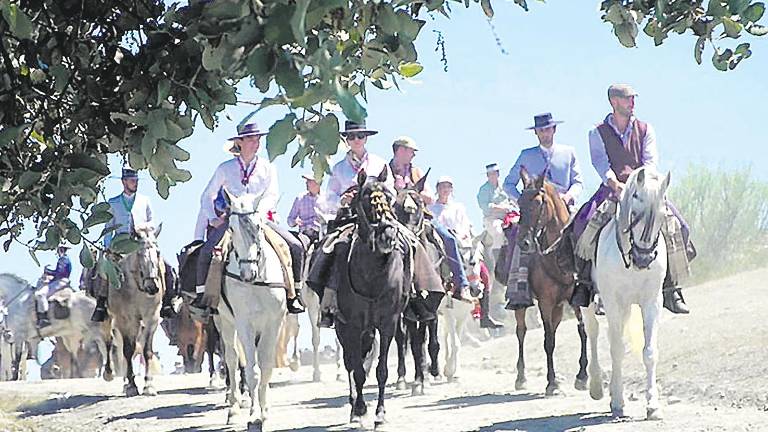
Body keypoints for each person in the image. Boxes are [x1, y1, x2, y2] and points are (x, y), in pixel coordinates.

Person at [570, 84, 693, 314]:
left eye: (633, 99)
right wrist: (614, 183)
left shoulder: (646, 129)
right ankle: (587, 285)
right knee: (581, 226)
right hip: (612, 188)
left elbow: (650, 162)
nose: (632, 103)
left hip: (644, 188)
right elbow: (600, 162)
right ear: (614, 102)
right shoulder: (597, 132)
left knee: (679, 226)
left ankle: (670, 288)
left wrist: (643, 185)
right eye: (627, 99)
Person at [190, 122, 306, 314]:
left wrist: (260, 213)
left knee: (295, 246)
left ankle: (295, 295)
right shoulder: (225, 168)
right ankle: (203, 297)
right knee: (207, 251)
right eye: (251, 139)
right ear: (240, 142)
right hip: (233, 220)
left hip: (261, 219)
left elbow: (272, 194)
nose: (256, 143)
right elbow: (206, 196)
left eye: (258, 139)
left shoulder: (268, 167)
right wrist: (212, 218)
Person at [390, 137, 499, 326]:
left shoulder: (416, 172)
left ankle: (462, 284)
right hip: (395, 218)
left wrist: (415, 192)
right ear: (399, 150)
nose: (413, 154)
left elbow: (430, 198)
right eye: (411, 151)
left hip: (420, 218)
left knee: (448, 239)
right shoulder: (386, 170)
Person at [306, 120, 394, 328]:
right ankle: (328, 302)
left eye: (360, 136)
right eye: (351, 136)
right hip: (348, 219)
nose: (356, 140)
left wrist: (377, 194)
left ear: (366, 138)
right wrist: (342, 201)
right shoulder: (338, 169)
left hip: (378, 217)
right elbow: (328, 198)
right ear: (346, 140)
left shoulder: (380, 164)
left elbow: (392, 191)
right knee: (332, 248)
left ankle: (413, 294)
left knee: (407, 244)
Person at [501, 113, 583, 310]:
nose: (545, 133)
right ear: (536, 133)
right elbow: (508, 184)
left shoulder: (568, 152)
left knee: (586, 233)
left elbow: (578, 182)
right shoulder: (526, 155)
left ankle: (588, 284)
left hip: (564, 206)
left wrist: (568, 196)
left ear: (554, 130)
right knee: (520, 238)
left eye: (548, 129)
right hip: (536, 210)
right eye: (541, 130)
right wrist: (524, 202)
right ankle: (518, 288)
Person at [90, 168, 176, 321]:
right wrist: (108, 248)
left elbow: (151, 222)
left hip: (142, 242)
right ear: (124, 182)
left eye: (136, 181)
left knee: (165, 266)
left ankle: (167, 302)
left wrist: (143, 229)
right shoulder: (113, 202)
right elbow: (108, 227)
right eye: (131, 181)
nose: (135, 183)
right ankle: (101, 303)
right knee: (105, 268)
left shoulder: (145, 200)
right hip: (121, 244)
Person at [430, 176, 503, 329]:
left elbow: (465, 225)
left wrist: (464, 236)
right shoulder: (432, 208)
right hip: (443, 246)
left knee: (483, 273)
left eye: (448, 186)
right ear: (437, 189)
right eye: (442, 186)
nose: (445, 190)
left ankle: (485, 315)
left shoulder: (458, 207)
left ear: (451, 189)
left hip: (463, 243)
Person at [34, 244, 72, 328]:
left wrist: (48, 271)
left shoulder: (64, 259)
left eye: (58, 250)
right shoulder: (62, 259)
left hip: (61, 281)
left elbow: (59, 273)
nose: (57, 252)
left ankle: (44, 318)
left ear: (61, 250)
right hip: (59, 280)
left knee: (41, 294)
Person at [287, 173, 328, 243]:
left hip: (322, 234)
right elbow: (290, 220)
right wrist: (295, 222)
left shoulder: (326, 198)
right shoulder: (300, 198)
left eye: (309, 181)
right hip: (304, 235)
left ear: (317, 182)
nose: (306, 183)